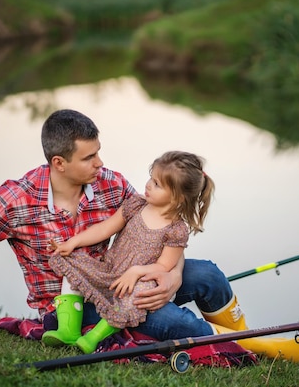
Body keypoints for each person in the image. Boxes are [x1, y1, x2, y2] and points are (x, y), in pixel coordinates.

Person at [0, 108, 299, 363]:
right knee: (171, 323)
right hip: (75, 306)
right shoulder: (15, 199)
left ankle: (247, 335)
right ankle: (258, 348)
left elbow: (161, 230)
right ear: (59, 163)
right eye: (89, 158)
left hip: (127, 277)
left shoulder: (111, 184)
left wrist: (170, 276)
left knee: (207, 276)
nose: (101, 164)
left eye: (99, 153)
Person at [43, 151, 214, 353]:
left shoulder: (176, 230)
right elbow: (105, 228)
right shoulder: (137, 204)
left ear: (177, 198)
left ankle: (94, 337)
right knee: (70, 259)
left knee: (140, 293)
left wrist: (136, 272)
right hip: (111, 270)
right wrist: (73, 242)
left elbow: (163, 267)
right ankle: (68, 330)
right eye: (152, 178)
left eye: (157, 184)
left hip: (136, 284)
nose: (149, 184)